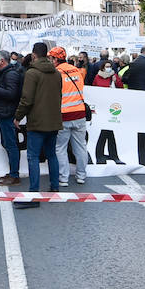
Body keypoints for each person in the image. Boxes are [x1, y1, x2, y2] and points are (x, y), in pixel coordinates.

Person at [14, 41, 62, 207]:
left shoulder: (32, 73)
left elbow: (26, 99)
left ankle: (34, 194)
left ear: (34, 55)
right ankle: (54, 187)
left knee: (33, 157)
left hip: (37, 121)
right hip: (54, 120)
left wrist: (18, 116)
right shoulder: (56, 73)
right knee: (52, 155)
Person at [50, 46, 90, 186]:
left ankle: (63, 178)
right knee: (80, 147)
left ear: (55, 59)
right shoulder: (77, 71)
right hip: (79, 113)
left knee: (60, 147)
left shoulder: (56, 73)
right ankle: (81, 175)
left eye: (51, 58)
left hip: (64, 115)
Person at [0, 50, 25, 186]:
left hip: (7, 114)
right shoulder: (3, 73)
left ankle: (14, 175)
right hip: (3, 113)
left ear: (2, 61)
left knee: (11, 144)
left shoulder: (11, 74)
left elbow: (11, 94)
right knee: (7, 143)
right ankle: (12, 172)